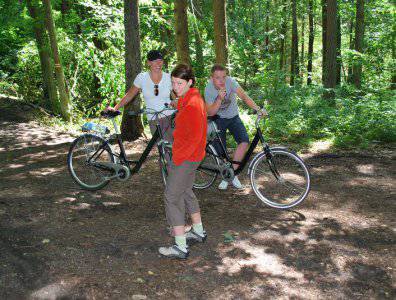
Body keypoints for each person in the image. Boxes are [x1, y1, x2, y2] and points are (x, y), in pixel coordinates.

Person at [158, 64, 207, 259]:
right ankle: (198, 231)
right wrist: (174, 104)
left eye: (179, 83)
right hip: (193, 157)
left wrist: (177, 159)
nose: (175, 87)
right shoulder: (192, 97)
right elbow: (182, 103)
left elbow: (193, 136)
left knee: (171, 197)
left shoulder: (193, 105)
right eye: (173, 83)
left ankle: (180, 246)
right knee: (186, 191)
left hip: (186, 157)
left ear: (190, 82)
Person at [205, 64, 267, 190]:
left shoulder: (231, 82)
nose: (222, 80)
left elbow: (244, 96)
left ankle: (231, 174)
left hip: (233, 117)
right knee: (220, 151)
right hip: (217, 119)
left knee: (244, 141)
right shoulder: (208, 89)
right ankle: (226, 174)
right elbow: (211, 112)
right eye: (217, 78)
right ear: (212, 78)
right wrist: (219, 98)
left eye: (224, 76)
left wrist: (258, 109)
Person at [107, 50, 173, 142]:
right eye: (155, 60)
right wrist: (116, 108)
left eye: (160, 60)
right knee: (162, 149)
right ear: (149, 63)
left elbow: (177, 96)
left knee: (173, 148)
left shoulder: (169, 77)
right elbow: (129, 95)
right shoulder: (142, 78)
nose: (158, 63)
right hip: (153, 119)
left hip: (169, 117)